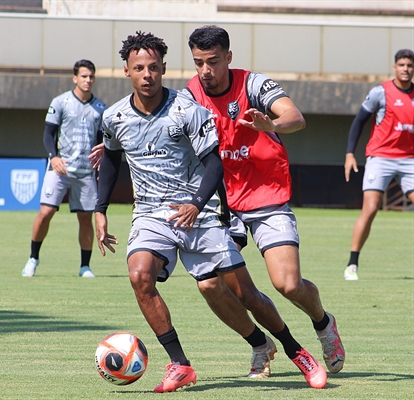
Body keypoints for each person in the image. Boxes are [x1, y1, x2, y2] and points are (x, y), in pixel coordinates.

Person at [95, 31, 328, 392]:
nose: (147, 75)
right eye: (139, 68)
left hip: (201, 213)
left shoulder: (188, 109)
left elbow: (214, 164)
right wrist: (100, 208)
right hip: (152, 215)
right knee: (140, 275)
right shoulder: (114, 116)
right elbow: (111, 157)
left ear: (163, 69)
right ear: (126, 71)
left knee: (247, 293)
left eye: (154, 67)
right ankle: (180, 364)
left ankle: (297, 351)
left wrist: (196, 204)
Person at [184, 25, 345, 375]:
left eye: (213, 62)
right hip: (223, 206)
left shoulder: (253, 85)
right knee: (210, 283)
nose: (205, 71)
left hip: (267, 197)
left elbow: (295, 118)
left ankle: (322, 322)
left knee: (287, 284)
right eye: (199, 63)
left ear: (228, 57)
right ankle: (260, 343)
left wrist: (268, 125)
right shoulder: (190, 94)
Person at [22, 59, 107, 278]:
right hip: (60, 168)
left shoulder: (100, 108)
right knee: (45, 212)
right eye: (84, 76)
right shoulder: (61, 102)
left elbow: (100, 141)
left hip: (86, 171)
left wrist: (99, 166)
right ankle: (33, 258)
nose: (88, 80)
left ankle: (85, 266)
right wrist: (54, 157)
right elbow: (48, 134)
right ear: (75, 78)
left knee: (85, 219)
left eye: (91, 76)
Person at [344, 49, 414, 281]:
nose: (406, 69)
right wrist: (349, 154)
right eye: (402, 65)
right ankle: (352, 264)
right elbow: (359, 122)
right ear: (395, 67)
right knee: (371, 208)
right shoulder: (380, 92)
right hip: (380, 157)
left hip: (409, 160)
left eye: (410, 65)